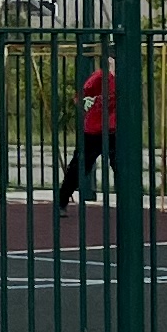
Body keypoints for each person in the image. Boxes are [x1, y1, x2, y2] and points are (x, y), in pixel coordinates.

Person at [54, 49, 116, 214]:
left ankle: (127, 205)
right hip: (94, 131)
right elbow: (80, 96)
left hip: (115, 131)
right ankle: (61, 201)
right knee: (80, 167)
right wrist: (87, 103)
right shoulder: (100, 77)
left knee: (121, 167)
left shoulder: (125, 79)